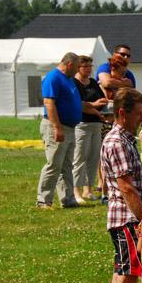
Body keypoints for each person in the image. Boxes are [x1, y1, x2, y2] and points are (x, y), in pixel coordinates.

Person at [101, 87, 142, 283]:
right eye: (138, 113)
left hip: (125, 216)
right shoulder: (117, 142)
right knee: (127, 275)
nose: (141, 118)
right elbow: (127, 188)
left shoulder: (124, 138)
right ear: (122, 113)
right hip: (126, 217)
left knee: (122, 274)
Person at [36, 52, 82, 209]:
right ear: (69, 64)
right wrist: (57, 127)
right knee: (54, 164)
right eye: (76, 67)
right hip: (56, 126)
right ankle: (43, 200)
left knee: (67, 165)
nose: (77, 70)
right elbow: (49, 103)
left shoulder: (69, 79)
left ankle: (68, 199)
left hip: (70, 127)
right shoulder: (53, 77)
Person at [72, 55, 107, 204]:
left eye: (90, 66)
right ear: (78, 68)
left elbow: (102, 99)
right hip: (82, 124)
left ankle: (88, 190)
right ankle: (76, 191)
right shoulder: (74, 83)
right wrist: (95, 106)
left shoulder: (93, 82)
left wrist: (98, 105)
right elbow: (79, 104)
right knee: (80, 158)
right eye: (85, 66)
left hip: (96, 124)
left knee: (93, 158)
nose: (88, 69)